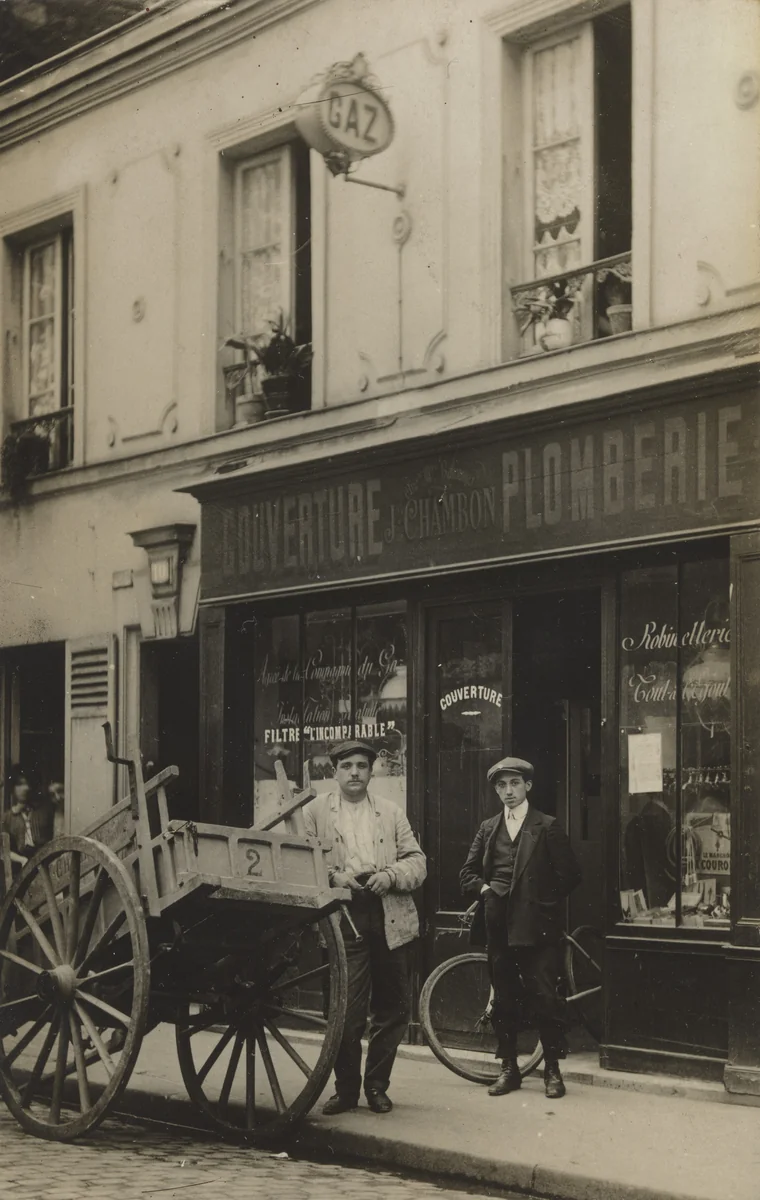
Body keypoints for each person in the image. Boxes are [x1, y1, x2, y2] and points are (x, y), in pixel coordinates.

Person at [303, 740, 426, 1115]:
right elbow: (302, 858)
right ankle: (346, 1090)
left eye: (362, 766)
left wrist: (390, 875)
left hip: (388, 912)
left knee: (394, 1007)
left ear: (373, 772)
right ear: (334, 772)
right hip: (344, 915)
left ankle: (377, 1086)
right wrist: (335, 876)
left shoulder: (390, 812)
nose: (354, 772)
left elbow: (417, 861)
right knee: (346, 1010)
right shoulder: (315, 812)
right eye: (347, 766)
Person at [460, 756, 581, 1100]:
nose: (508, 791)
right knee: (505, 998)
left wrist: (541, 901)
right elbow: (467, 873)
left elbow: (571, 875)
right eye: (501, 785)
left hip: (538, 928)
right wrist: (484, 891)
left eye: (514, 783)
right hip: (499, 927)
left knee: (546, 997)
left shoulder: (547, 825)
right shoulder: (488, 828)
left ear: (528, 786)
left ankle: (552, 1072)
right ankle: (509, 1068)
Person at [1, 765, 53, 870]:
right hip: (20, 868)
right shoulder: (7, 818)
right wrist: (21, 859)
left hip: (45, 863)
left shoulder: (44, 811)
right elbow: (3, 849)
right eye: (20, 784)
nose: (25, 788)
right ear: (12, 788)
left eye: (27, 784)